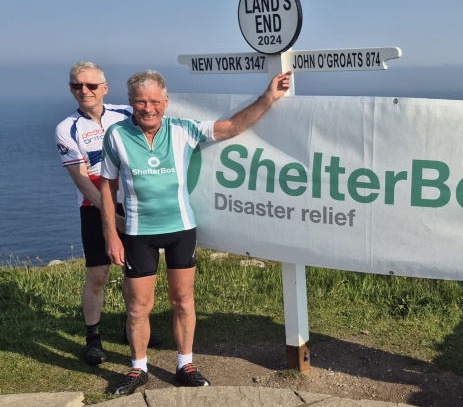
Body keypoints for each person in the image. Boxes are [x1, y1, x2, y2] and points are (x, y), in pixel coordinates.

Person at [100, 69, 292, 395]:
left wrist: (268, 97)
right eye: (141, 102)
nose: (148, 108)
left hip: (181, 229)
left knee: (183, 301)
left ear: (166, 101)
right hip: (137, 232)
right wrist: (110, 234)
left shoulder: (183, 130)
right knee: (137, 307)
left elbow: (232, 126)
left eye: (155, 102)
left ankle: (184, 364)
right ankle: (138, 368)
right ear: (131, 102)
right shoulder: (116, 135)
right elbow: (107, 185)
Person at [55, 62, 162, 366]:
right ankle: (93, 338)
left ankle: (134, 329)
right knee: (98, 274)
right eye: (77, 85)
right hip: (94, 207)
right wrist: (111, 218)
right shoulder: (67, 128)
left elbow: (159, 120)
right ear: (71, 89)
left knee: (136, 270)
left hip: (134, 201)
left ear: (104, 88)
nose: (84, 91)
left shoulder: (127, 113)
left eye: (90, 85)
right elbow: (81, 181)